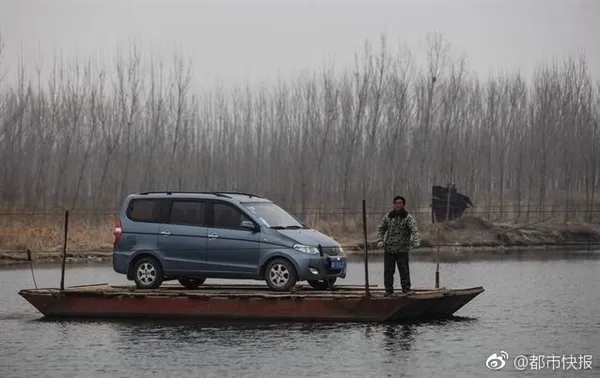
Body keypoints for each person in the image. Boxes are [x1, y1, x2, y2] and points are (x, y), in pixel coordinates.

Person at [376, 195, 421, 296]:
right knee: (388, 271)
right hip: (389, 249)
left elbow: (414, 230)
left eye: (400, 203)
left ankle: (406, 289)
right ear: (393, 204)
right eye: (396, 203)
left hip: (402, 249)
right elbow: (381, 229)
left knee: (404, 270)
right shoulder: (388, 216)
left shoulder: (408, 218)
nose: (398, 205)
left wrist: (416, 240)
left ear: (403, 204)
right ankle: (388, 290)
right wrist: (380, 240)